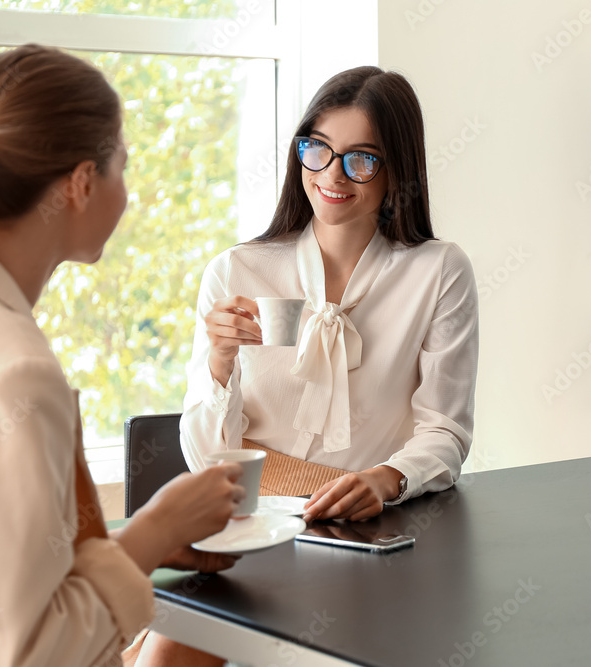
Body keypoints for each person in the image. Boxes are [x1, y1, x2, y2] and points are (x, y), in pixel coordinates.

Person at [0, 44, 245, 667]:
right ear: (82, 182)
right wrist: (155, 533)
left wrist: (127, 542)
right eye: (122, 164)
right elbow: (34, 656)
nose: (128, 190)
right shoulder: (13, 375)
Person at [180, 64, 479, 523]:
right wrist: (220, 362)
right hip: (250, 523)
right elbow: (205, 458)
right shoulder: (235, 270)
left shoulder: (439, 271)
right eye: (317, 148)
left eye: (361, 158)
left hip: (368, 524)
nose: (333, 175)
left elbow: (445, 429)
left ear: (397, 169)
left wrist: (386, 478)